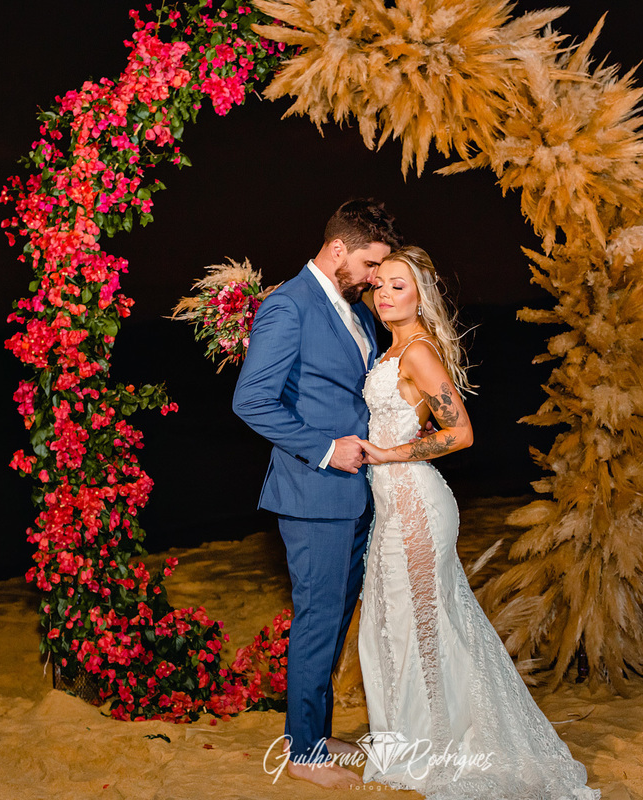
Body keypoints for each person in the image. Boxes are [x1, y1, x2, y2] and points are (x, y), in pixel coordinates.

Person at [354, 246, 600, 799]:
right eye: (381, 286)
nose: (386, 295)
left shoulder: (417, 351)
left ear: (420, 294)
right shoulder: (394, 348)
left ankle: (437, 749)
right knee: (397, 625)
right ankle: (406, 744)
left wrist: (391, 454)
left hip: (416, 504)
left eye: (399, 286)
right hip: (394, 506)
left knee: (423, 626)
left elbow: (460, 432)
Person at [231, 199, 402, 789]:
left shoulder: (353, 309)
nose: (375, 274)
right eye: (370, 262)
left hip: (356, 495)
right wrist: (328, 449)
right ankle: (302, 753)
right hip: (312, 494)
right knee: (316, 620)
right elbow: (250, 400)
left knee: (334, 621)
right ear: (337, 252)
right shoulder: (289, 306)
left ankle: (317, 730)